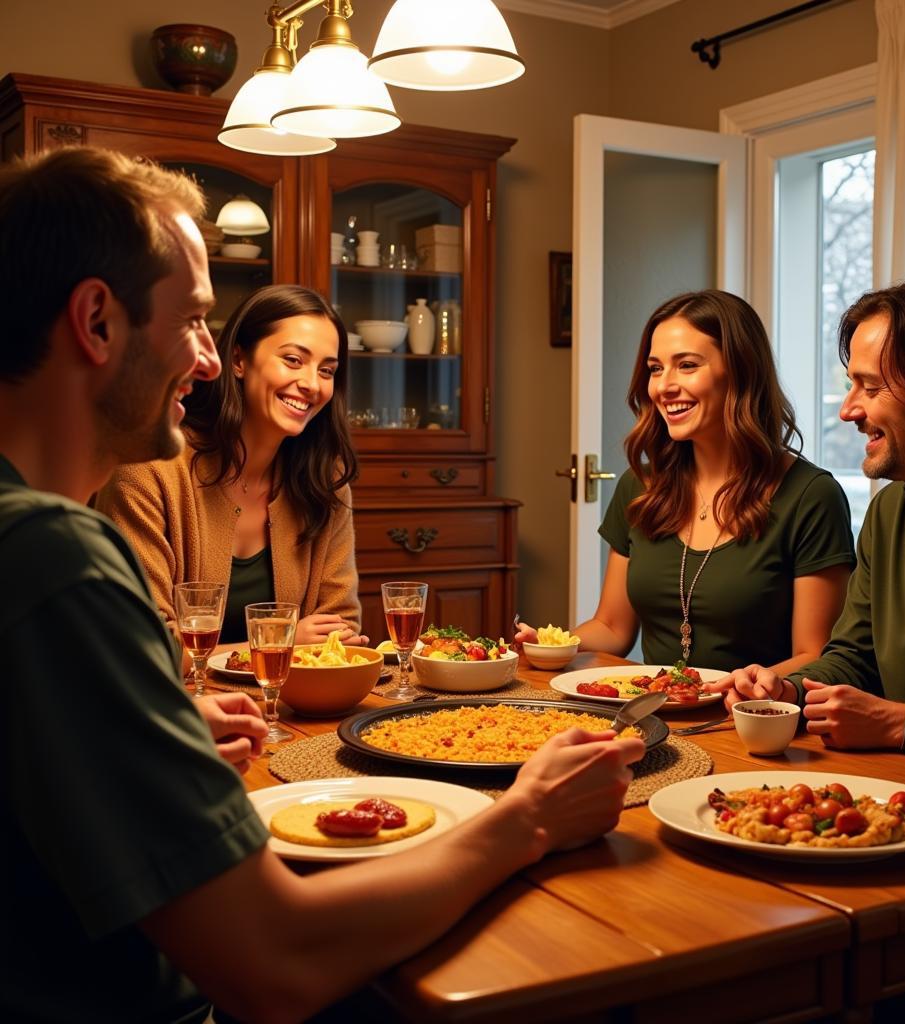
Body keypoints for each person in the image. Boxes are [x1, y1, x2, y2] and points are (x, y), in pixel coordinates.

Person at [0, 145, 646, 1024]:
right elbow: (277, 960)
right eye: (192, 320)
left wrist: (159, 725)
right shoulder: (52, 555)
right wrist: (530, 818)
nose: (203, 360)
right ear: (97, 321)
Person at [717, 275, 905, 770]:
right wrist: (786, 691)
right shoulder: (890, 513)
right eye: (850, 384)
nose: (847, 410)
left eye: (871, 387)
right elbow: (854, 658)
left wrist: (902, 723)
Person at [518, 290, 855, 678]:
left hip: (749, 720)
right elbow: (612, 627)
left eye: (687, 365)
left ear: (740, 370)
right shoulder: (640, 487)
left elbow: (815, 655)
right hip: (653, 710)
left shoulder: (811, 496)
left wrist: (745, 689)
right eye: (656, 368)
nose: (663, 386)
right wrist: (550, 646)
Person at [96, 283, 365, 647]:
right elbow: (142, 644)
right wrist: (278, 642)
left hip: (293, 702)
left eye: (327, 371)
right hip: (176, 703)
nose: (311, 385)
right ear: (239, 360)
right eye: (293, 360)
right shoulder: (149, 469)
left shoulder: (325, 480)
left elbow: (340, 632)